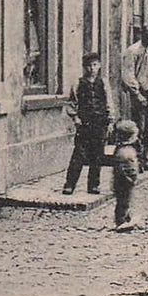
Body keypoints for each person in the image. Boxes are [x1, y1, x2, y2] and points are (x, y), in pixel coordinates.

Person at [62, 52, 111, 195]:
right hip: (84, 124)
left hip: (100, 122)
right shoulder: (78, 83)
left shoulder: (104, 83)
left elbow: (109, 102)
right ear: (84, 67)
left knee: (97, 155)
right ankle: (70, 184)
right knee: (79, 154)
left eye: (95, 65)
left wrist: (110, 119)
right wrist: (75, 118)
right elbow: (71, 103)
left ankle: (93, 185)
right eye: (89, 65)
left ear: (99, 66)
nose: (92, 68)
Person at [121, 23, 148, 170]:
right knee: (138, 125)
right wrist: (137, 94)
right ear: (141, 34)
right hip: (139, 92)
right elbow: (128, 74)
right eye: (147, 35)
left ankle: (145, 157)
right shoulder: (132, 51)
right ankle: (137, 159)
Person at [112, 120, 140, 232]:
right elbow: (127, 168)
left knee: (125, 200)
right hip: (125, 181)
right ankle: (121, 221)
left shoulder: (121, 149)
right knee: (124, 200)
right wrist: (131, 178)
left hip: (122, 180)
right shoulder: (126, 152)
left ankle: (126, 217)